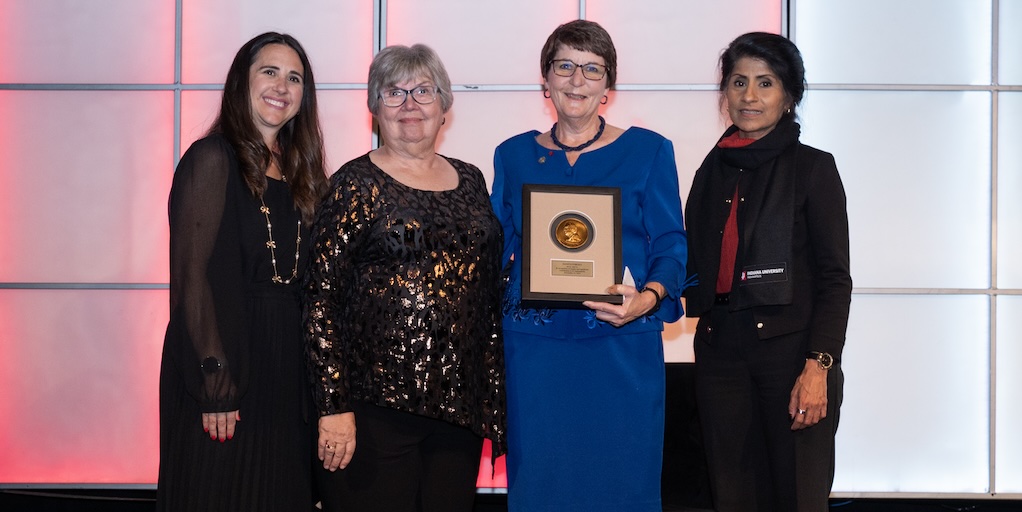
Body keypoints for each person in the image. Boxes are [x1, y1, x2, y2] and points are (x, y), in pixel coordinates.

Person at [491, 19, 688, 512]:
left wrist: (649, 298)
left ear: (608, 86)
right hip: (534, 349)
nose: (576, 80)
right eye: (565, 66)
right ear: (545, 80)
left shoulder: (649, 151)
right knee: (540, 483)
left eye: (591, 69)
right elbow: (495, 247)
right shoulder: (512, 155)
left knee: (623, 484)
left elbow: (671, 243)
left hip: (621, 342)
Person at [303, 44, 505, 512]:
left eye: (423, 91)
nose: (409, 104)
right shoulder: (354, 183)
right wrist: (333, 406)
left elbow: (488, 281)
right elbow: (320, 300)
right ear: (374, 107)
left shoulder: (472, 179)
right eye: (393, 92)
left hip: (459, 407)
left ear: (444, 106)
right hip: (376, 409)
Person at [157, 32, 327, 511]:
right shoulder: (212, 158)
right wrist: (215, 380)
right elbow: (192, 280)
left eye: (294, 78)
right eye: (269, 72)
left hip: (286, 367)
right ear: (241, 83)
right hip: (227, 361)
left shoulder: (303, 173)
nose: (282, 86)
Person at [683, 32, 852, 512]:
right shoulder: (710, 170)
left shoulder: (814, 169)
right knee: (732, 496)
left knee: (798, 496)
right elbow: (692, 262)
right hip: (720, 356)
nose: (749, 96)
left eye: (765, 83)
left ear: (789, 96)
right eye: (738, 82)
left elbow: (835, 279)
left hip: (794, 357)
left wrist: (819, 366)